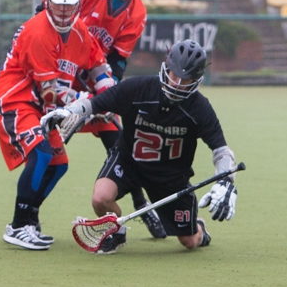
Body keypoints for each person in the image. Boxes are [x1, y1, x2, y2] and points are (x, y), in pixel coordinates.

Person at [41, 40, 239, 254]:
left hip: (170, 177)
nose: (177, 84)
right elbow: (96, 103)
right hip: (129, 162)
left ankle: (199, 228)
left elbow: (221, 150)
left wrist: (226, 180)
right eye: (174, 75)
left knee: (189, 241)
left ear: (196, 80)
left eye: (186, 80)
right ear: (166, 66)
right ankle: (116, 233)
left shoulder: (200, 108)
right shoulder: (138, 88)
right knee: (101, 198)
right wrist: (70, 111)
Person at [0, 0, 115, 251]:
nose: (64, 12)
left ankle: (30, 220)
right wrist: (90, 104)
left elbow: (97, 67)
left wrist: (110, 93)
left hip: (41, 106)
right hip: (15, 99)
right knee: (42, 154)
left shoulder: (80, 30)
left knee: (58, 164)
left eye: (70, 6)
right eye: (58, 4)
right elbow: (51, 91)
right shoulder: (36, 32)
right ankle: (18, 225)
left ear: (79, 4)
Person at [40, 0, 164, 238]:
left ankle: (139, 201)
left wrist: (105, 98)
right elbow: (47, 18)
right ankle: (28, 215)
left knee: (121, 145)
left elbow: (117, 61)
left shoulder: (137, 12)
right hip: (60, 76)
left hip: (96, 80)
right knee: (49, 148)